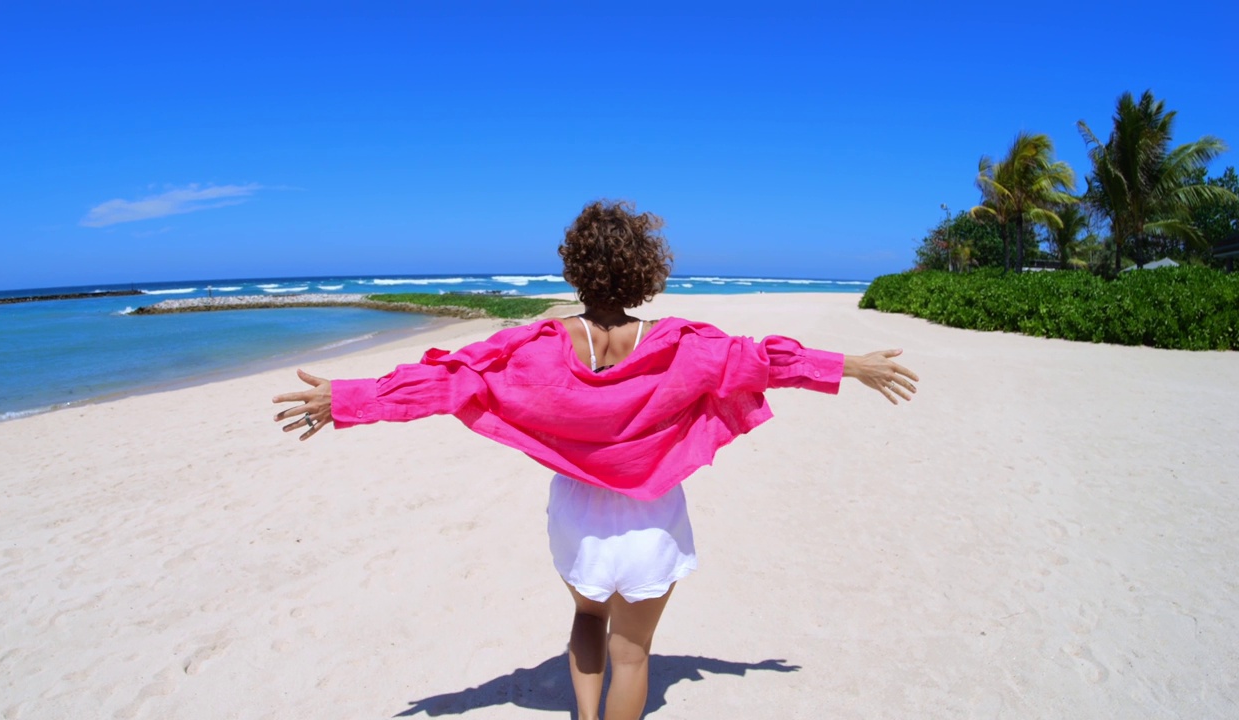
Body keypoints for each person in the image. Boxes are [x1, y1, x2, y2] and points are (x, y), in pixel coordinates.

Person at [272, 200, 918, 720]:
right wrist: (850, 366)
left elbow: (448, 380)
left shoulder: (533, 346)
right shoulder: (682, 344)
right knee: (632, 654)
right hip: (651, 515)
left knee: (587, 616)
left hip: (577, 511)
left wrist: (351, 399)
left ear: (574, 267)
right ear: (647, 270)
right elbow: (762, 361)